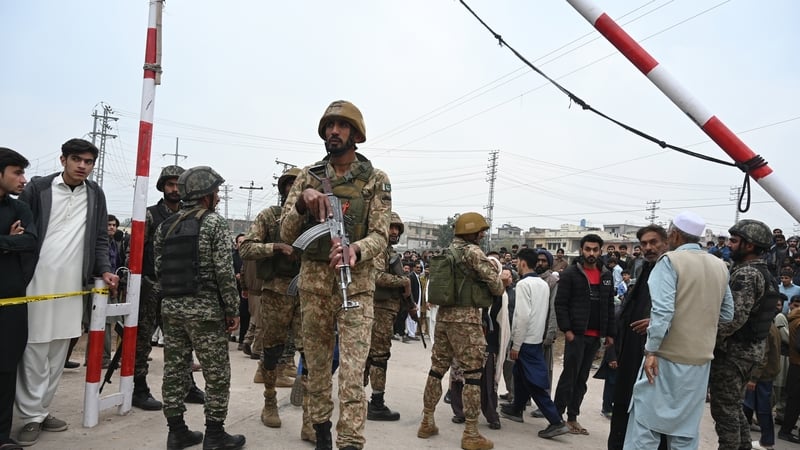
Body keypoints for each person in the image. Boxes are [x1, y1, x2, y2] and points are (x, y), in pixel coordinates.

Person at [280, 100, 391, 450]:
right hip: (313, 287)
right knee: (315, 371)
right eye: (329, 125)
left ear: (355, 134)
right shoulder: (307, 177)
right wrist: (303, 200)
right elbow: (285, 234)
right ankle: (321, 434)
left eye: (341, 126)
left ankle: (351, 441)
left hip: (354, 289)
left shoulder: (375, 179)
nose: (333, 131)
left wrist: (355, 249)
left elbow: (381, 234)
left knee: (353, 375)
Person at [15, 139, 119, 446]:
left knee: (59, 351)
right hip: (36, 283)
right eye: (76, 159)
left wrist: (103, 269)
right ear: (63, 159)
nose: (82, 166)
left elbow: (100, 238)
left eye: (88, 161)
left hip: (73, 287)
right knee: (34, 350)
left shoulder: (95, 194)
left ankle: (41, 410)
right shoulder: (38, 188)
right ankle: (30, 417)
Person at [624, 211, 734, 449]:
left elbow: (663, 313)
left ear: (673, 234)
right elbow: (727, 314)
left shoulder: (670, 261)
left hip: (666, 358)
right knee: (685, 432)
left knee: (645, 427)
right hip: (700, 362)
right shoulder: (720, 265)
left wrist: (651, 350)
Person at [155, 166, 244, 450]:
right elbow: (224, 271)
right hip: (205, 312)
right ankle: (215, 434)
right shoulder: (213, 223)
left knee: (174, 370)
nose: (218, 196)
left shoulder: (165, 226)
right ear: (206, 195)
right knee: (217, 373)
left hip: (172, 309)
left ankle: (177, 431)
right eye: (216, 191)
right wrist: (232, 309)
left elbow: (159, 269)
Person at [416, 212, 510, 450]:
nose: (482, 235)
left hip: (445, 317)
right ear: (472, 232)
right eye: (480, 231)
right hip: (466, 320)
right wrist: (503, 281)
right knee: (473, 375)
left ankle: (427, 420)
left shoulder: (447, 251)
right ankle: (471, 433)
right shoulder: (472, 252)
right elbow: (497, 287)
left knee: (437, 370)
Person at [134, 165, 206, 411]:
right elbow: (134, 253)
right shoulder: (151, 215)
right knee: (142, 341)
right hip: (150, 287)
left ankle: (187, 386)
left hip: (178, 290)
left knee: (181, 343)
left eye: (178, 184)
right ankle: (138, 388)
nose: (175, 190)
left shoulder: (190, 217)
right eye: (170, 185)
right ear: (163, 186)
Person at [239, 168, 305, 436]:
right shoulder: (270, 216)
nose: (294, 189)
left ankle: (312, 414)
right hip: (276, 290)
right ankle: (269, 400)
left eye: (299, 185)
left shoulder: (314, 219)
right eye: (290, 185)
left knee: (311, 353)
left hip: (306, 291)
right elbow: (246, 247)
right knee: (272, 350)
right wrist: (276, 247)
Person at [710, 219, 779, 450]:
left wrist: (706, 341)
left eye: (734, 240)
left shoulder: (747, 274)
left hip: (734, 354)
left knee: (725, 411)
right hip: (748, 353)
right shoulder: (761, 271)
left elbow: (732, 319)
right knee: (734, 407)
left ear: (749, 246)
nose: (729, 244)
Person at [607, 225, 668, 450]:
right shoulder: (646, 269)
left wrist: (659, 323)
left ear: (667, 242)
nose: (648, 248)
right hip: (631, 352)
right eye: (644, 244)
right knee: (623, 407)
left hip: (654, 354)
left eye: (653, 242)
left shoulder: (672, 271)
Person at [499, 248, 569, 439]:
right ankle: (516, 408)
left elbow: (522, 316)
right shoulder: (543, 284)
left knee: (535, 382)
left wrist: (516, 344)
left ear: (522, 263)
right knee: (519, 373)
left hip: (526, 340)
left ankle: (555, 421)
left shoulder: (523, 285)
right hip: (536, 337)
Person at [553, 233, 616, 436]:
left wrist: (609, 334)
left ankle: (573, 418)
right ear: (581, 250)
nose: (591, 253)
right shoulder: (571, 273)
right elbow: (560, 304)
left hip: (595, 337)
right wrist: (568, 331)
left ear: (600, 251)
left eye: (595, 250)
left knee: (582, 380)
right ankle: (556, 417)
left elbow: (608, 306)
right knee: (569, 377)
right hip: (576, 335)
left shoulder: (606, 275)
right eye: (587, 249)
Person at [0, 147, 37, 450]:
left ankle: (2, 436)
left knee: (6, 367)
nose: (23, 179)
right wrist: (8, 241)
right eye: (17, 172)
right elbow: (16, 242)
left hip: (11, 299)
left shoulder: (19, 209)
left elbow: (30, 241)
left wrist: (14, 242)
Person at [364, 212, 410, 422]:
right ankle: (376, 402)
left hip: (386, 310)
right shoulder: (378, 248)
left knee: (370, 355)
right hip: (378, 309)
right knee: (379, 356)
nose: (394, 232)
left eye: (397, 229)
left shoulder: (388, 250)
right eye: (391, 227)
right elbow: (376, 276)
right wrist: (403, 282)